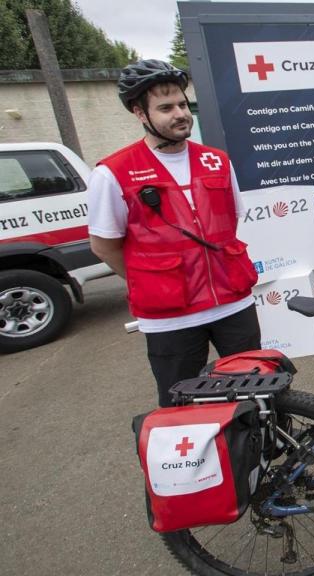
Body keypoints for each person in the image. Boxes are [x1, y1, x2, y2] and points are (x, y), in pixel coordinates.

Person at [88, 60, 260, 407]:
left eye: (182, 104)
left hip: (233, 304)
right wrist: (153, 281)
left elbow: (230, 222)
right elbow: (105, 246)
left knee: (257, 396)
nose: (180, 114)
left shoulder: (217, 160)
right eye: (166, 108)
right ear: (140, 113)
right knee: (181, 408)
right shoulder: (113, 173)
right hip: (169, 319)